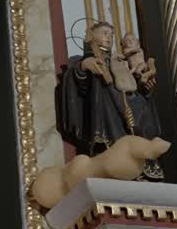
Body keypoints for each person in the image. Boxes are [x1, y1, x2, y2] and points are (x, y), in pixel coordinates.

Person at [56, 21, 164, 180]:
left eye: (111, 35)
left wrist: (145, 88)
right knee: (103, 92)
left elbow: (131, 88)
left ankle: (140, 161)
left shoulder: (119, 62)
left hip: (127, 110)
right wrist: (84, 66)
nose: (109, 37)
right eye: (104, 33)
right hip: (106, 112)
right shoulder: (87, 59)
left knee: (141, 107)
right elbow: (76, 81)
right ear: (92, 36)